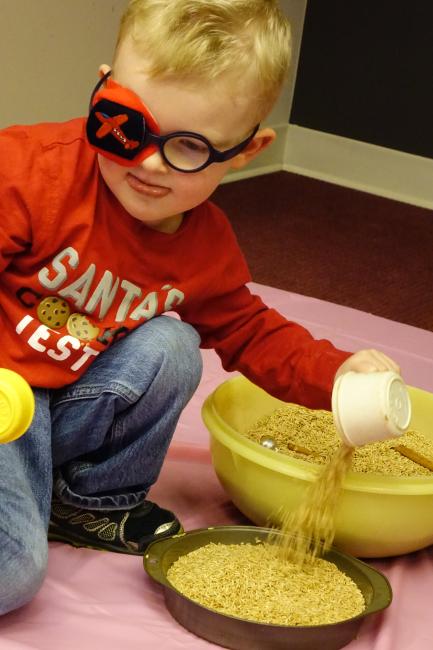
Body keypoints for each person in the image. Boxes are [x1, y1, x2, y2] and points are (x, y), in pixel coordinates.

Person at [0, 0, 400, 615]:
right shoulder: (28, 171)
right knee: (13, 579)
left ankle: (90, 503)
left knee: (172, 344)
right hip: (5, 403)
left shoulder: (204, 245)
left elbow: (250, 330)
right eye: (124, 125)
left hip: (66, 401)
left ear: (246, 151)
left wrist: (340, 374)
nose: (147, 161)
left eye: (187, 148)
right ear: (103, 87)